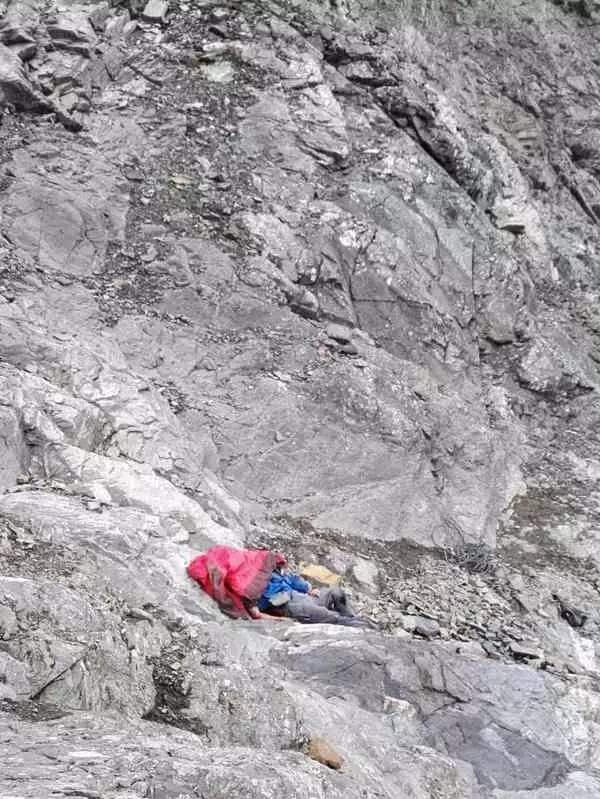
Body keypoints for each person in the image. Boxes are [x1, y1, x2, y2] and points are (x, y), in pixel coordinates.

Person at [250, 555, 365, 627]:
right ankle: (362, 627)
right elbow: (256, 614)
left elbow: (294, 580)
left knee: (336, 592)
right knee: (332, 616)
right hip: (292, 607)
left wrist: (308, 589)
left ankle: (351, 617)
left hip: (304, 597)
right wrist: (280, 619)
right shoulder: (251, 589)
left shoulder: (275, 572)